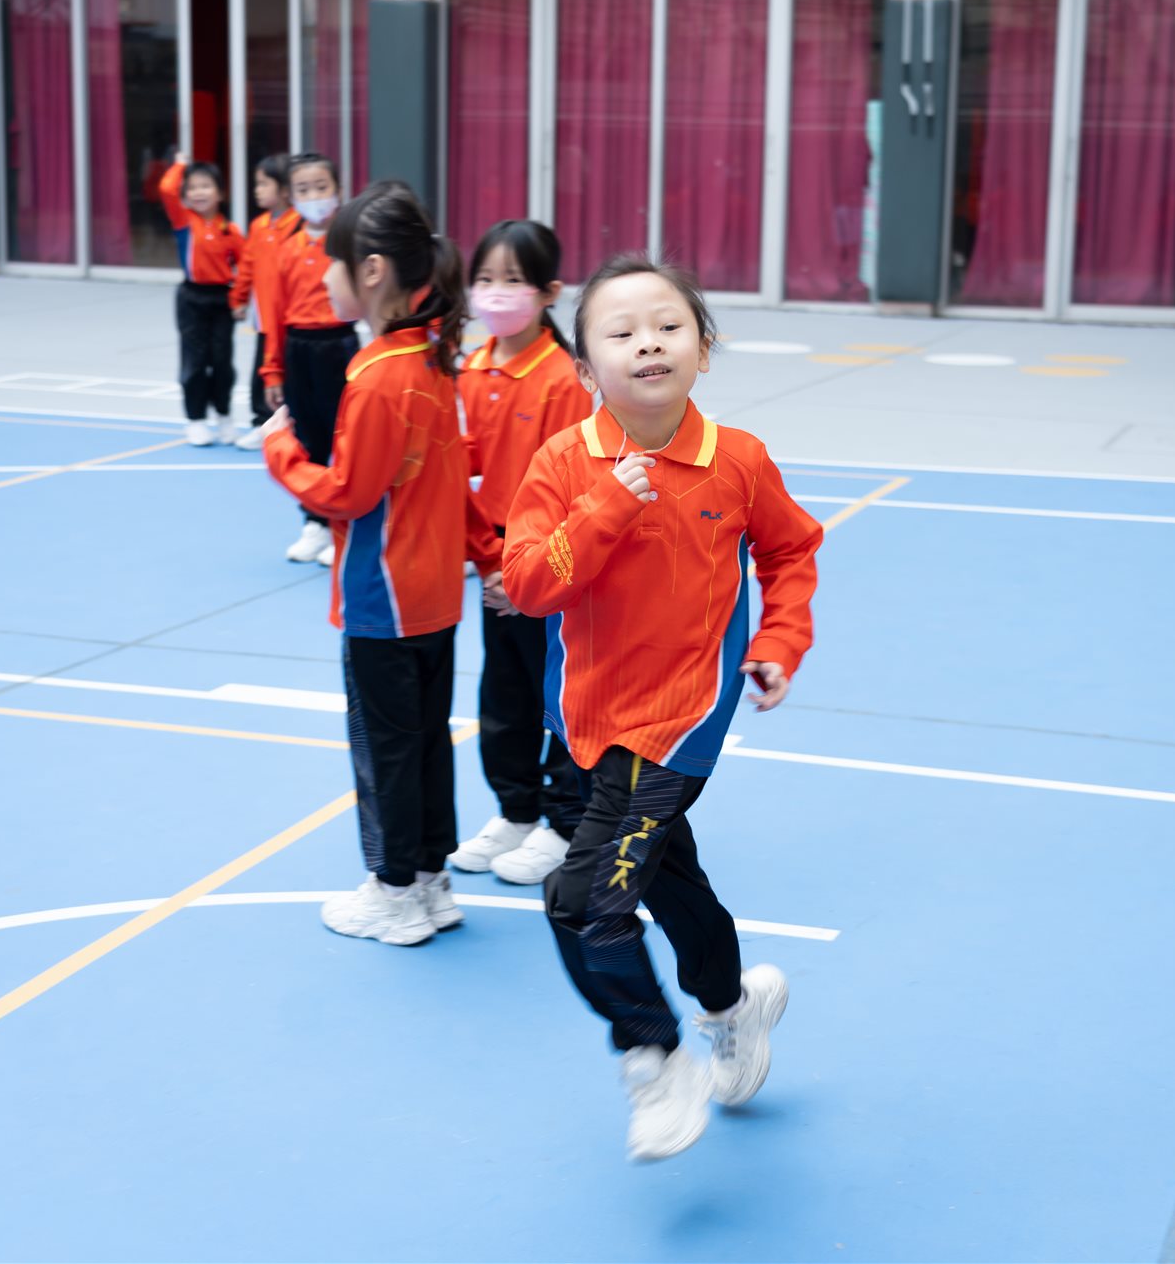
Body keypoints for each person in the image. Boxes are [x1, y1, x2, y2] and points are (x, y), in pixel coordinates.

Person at [501, 254, 823, 1162]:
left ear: (703, 350)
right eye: (622, 331)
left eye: (669, 325)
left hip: (681, 720)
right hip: (587, 722)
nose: (648, 342)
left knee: (583, 902)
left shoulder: (738, 460)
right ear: (584, 367)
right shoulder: (565, 464)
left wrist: (779, 639)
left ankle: (652, 1049)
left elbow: (791, 552)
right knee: (667, 878)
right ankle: (733, 1004)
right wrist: (605, 506)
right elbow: (527, 586)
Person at [261, 181, 498, 947]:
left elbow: (347, 495)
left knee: (384, 749)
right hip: (434, 596)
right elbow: (455, 486)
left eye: (329, 264)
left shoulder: (377, 376)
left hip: (382, 597)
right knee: (425, 742)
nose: (321, 276)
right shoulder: (433, 360)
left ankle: (394, 889)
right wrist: (489, 556)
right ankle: (429, 879)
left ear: (369, 271)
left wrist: (282, 453)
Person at [446, 221, 593, 886]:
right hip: (494, 560)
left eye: (513, 279)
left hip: (548, 560)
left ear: (548, 292)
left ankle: (566, 821)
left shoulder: (563, 378)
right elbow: (463, 466)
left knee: (557, 693)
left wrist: (535, 569)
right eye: (484, 279)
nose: (495, 292)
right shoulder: (470, 368)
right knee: (502, 694)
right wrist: (486, 560)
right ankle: (516, 809)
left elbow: (574, 489)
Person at [257, 153, 357, 565]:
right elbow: (273, 313)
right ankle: (314, 522)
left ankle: (342, 523)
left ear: (338, 191)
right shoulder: (285, 249)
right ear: (291, 197)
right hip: (299, 349)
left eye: (321, 187)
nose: (314, 196)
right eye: (303, 190)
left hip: (340, 345)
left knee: (345, 438)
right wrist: (272, 370)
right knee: (308, 438)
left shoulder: (349, 247)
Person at [158, 154, 245, 446]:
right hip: (191, 298)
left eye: (206, 186)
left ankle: (223, 415)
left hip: (221, 300)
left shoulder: (230, 230)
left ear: (220, 193)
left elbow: (247, 267)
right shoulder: (184, 220)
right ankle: (195, 419)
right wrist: (180, 165)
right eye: (192, 187)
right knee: (194, 361)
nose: (199, 192)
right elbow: (167, 189)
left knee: (222, 361)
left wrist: (239, 299)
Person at [231, 154, 300, 452]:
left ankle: (295, 424)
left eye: (263, 184)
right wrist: (239, 297)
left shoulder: (298, 224)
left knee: (293, 373)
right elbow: (247, 265)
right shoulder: (259, 226)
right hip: (264, 319)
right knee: (262, 372)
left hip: (293, 317)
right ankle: (262, 423)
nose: (256, 190)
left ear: (284, 189)